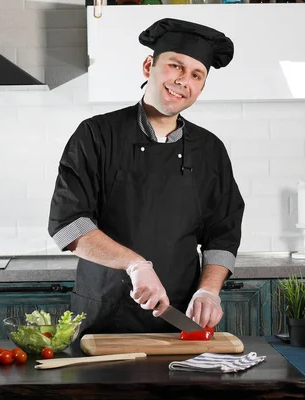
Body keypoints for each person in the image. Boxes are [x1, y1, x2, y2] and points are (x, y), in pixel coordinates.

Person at [48, 18, 245, 335]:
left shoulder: (211, 150)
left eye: (196, 75)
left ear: (201, 87)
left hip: (178, 318)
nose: (184, 80)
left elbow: (222, 233)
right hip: (102, 317)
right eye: (175, 66)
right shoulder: (96, 135)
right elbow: (69, 224)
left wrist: (209, 289)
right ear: (148, 66)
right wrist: (135, 264)